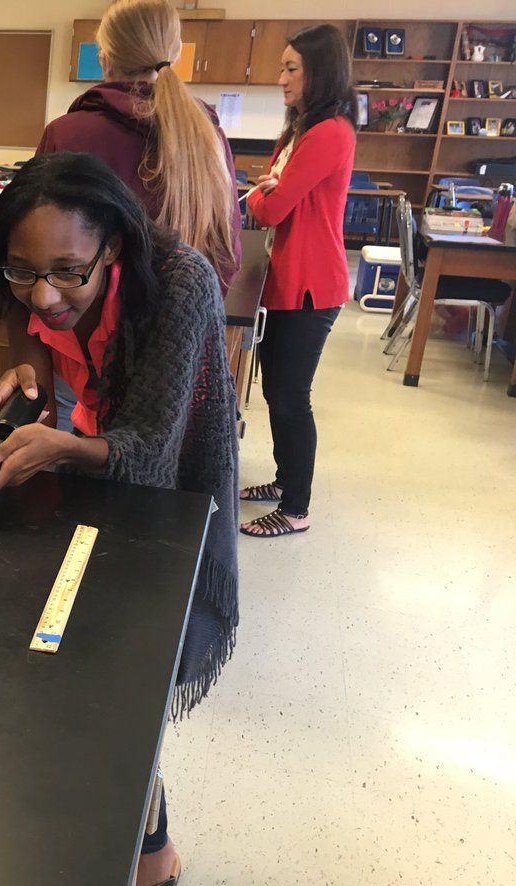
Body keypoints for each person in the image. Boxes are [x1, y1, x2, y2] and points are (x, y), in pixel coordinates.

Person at [0, 151, 239, 886]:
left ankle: (152, 845)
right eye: (24, 270)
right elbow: (31, 341)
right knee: (66, 675)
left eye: (67, 272)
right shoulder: (29, 281)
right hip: (92, 478)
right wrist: (23, 399)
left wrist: (57, 446)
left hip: (168, 501)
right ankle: (72, 823)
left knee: (124, 684)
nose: (45, 294)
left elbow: (152, 450)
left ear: (113, 246)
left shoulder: (180, 284)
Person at [238, 24, 356, 538]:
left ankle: (296, 508)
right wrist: (270, 192)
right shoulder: (297, 130)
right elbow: (272, 191)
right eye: (282, 67)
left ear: (319, 72)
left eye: (291, 69)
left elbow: (271, 205)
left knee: (291, 396)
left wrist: (267, 195)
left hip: (312, 284)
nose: (281, 78)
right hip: (285, 277)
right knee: (276, 393)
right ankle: (285, 483)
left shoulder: (330, 133)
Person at [36, 0, 241, 295]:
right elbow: (227, 254)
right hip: (183, 319)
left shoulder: (65, 134)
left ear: (104, 60)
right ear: (177, 54)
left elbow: (41, 245)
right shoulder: (208, 136)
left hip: (86, 328)